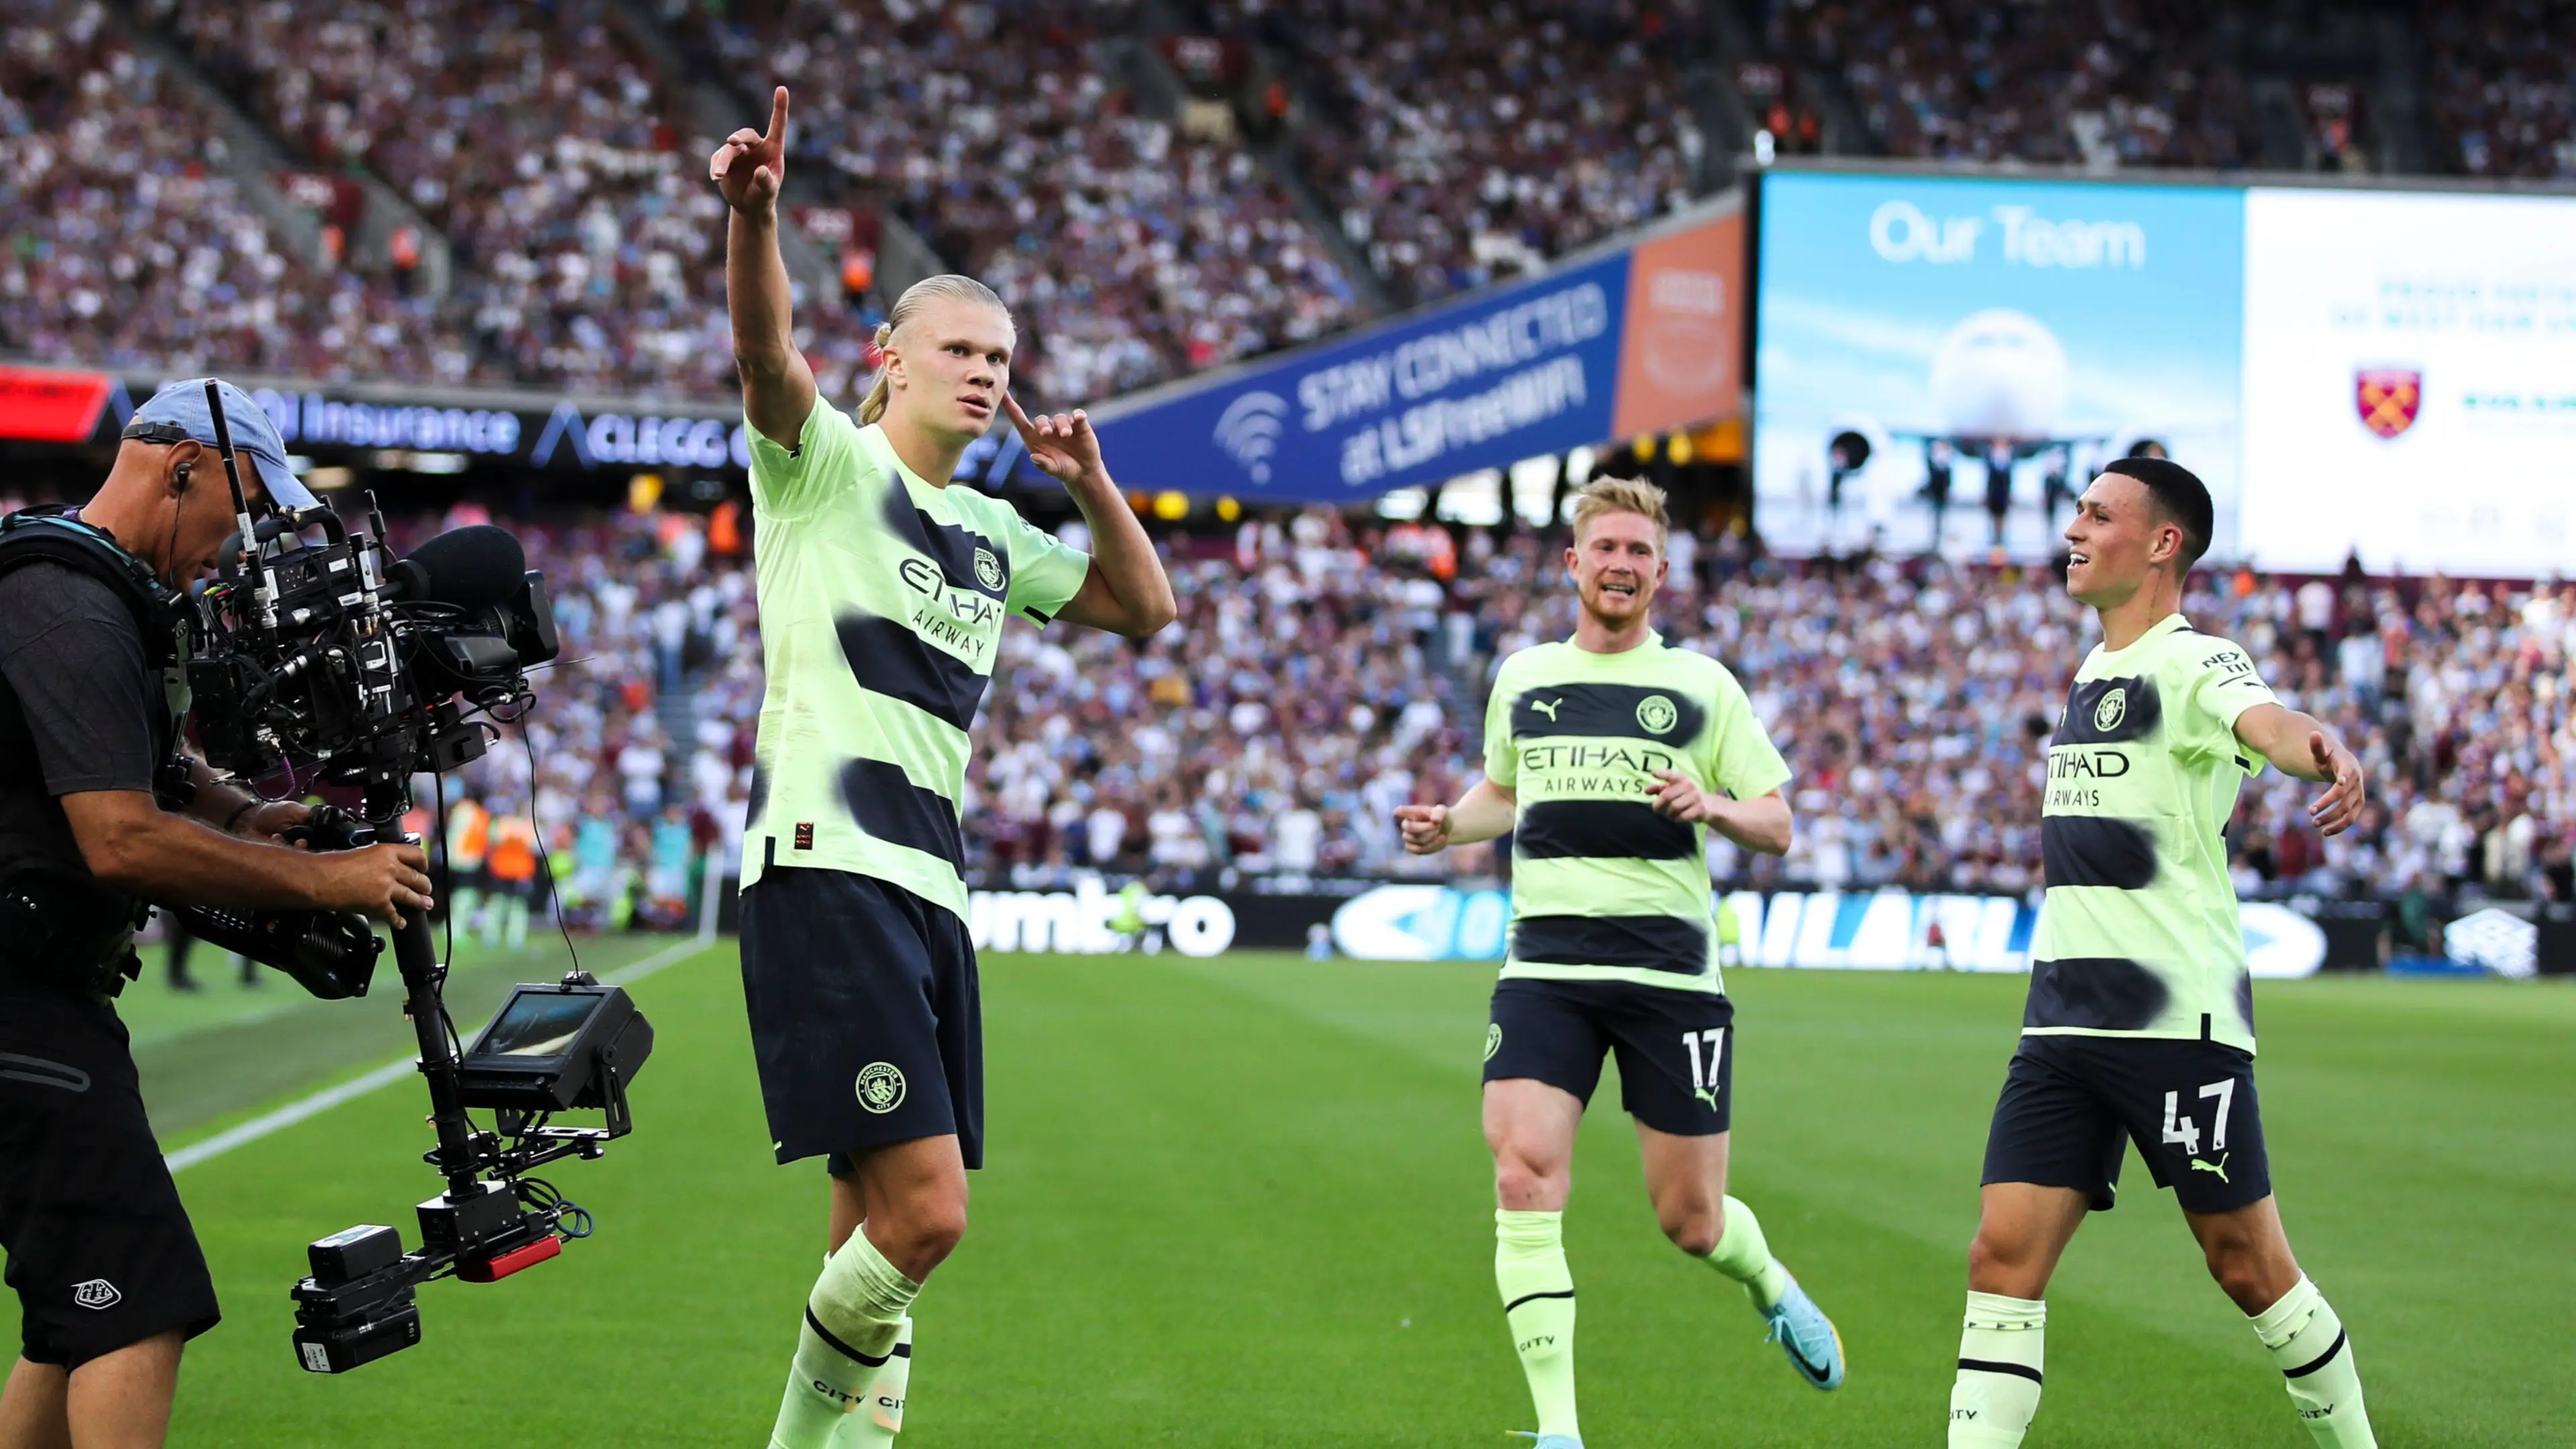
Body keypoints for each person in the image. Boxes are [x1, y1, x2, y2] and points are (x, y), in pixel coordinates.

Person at [712, 89, 1177, 1449]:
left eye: (1002, 356)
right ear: (891, 358)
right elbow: (762, 355)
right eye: (959, 349)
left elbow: (1144, 611)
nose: (983, 372)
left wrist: (1089, 481)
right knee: (928, 1219)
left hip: (931, 896)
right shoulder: (826, 470)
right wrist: (757, 223)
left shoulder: (991, 531)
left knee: (872, 1229)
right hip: (828, 871)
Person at [0, 379, 435, 1449]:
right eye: (238, 514)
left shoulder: (97, 596)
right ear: (182, 466)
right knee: (138, 1297)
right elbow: (120, 835)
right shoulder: (62, 600)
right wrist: (333, 881)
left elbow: (150, 770)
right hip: (17, 993)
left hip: (46, 988)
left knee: (75, 1314)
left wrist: (247, 813)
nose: (239, 547)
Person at [1393, 478, 1845, 1449]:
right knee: (1523, 1177)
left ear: (1661, 571)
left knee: (1692, 1219)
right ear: (1574, 563)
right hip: (1545, 968)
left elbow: (1777, 824)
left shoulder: (1705, 687)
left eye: (1639, 552)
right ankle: (1559, 1432)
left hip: (1671, 979)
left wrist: (1713, 806)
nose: (1621, 565)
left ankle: (1769, 1281)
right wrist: (1449, 824)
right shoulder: (1524, 677)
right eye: (1606, 549)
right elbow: (1506, 793)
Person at [1947, 458, 2377, 1448]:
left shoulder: (2195, 660)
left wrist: (2324, 749)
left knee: (2248, 1267)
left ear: (2161, 542)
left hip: (2172, 1022)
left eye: (2099, 514)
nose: (2075, 528)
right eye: (2079, 512)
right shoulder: (2092, 673)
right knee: (2000, 1259)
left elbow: (2268, 722)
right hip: (2060, 1024)